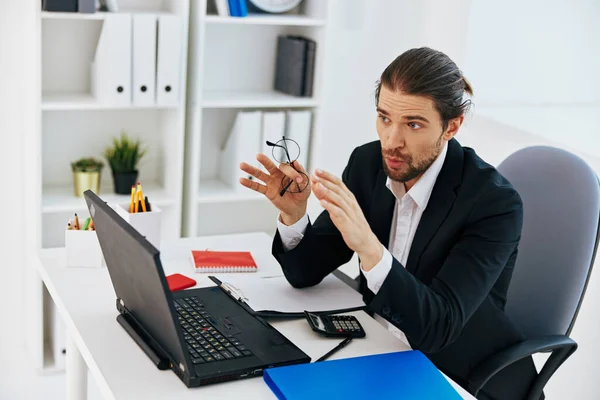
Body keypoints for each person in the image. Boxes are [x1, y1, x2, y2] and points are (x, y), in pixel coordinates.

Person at [239, 47, 538, 400]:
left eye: (413, 124)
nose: (392, 141)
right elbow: (304, 273)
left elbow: (438, 327)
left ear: (451, 126)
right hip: (377, 347)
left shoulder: (493, 203)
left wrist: (369, 249)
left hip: (456, 373)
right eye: (384, 118)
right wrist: (294, 213)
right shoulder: (368, 163)